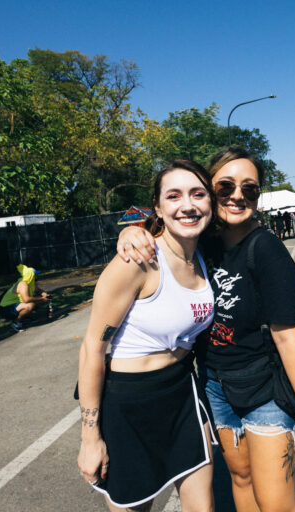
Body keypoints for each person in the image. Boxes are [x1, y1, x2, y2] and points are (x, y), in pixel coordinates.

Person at [117, 147, 295, 512]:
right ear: (209, 189)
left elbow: (287, 336)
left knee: (278, 505)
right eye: (226, 187)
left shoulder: (266, 249)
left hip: (263, 388)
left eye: (249, 189)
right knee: (242, 478)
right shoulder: (202, 242)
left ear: (258, 196)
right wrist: (129, 233)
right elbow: (159, 233)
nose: (237, 196)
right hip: (215, 386)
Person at [77, 160, 216, 511]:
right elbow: (92, 348)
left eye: (198, 194)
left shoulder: (204, 254)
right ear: (157, 207)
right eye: (174, 196)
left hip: (183, 393)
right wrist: (90, 437)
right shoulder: (137, 262)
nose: (187, 205)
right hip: (129, 406)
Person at [0, 264, 49, 331]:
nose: (36, 276)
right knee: (30, 304)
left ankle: (25, 317)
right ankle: (16, 322)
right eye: (35, 275)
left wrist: (45, 294)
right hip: (6, 309)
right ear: (30, 275)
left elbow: (38, 290)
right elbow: (26, 299)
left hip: (16, 305)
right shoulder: (23, 284)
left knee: (42, 300)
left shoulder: (31, 283)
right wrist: (42, 298)